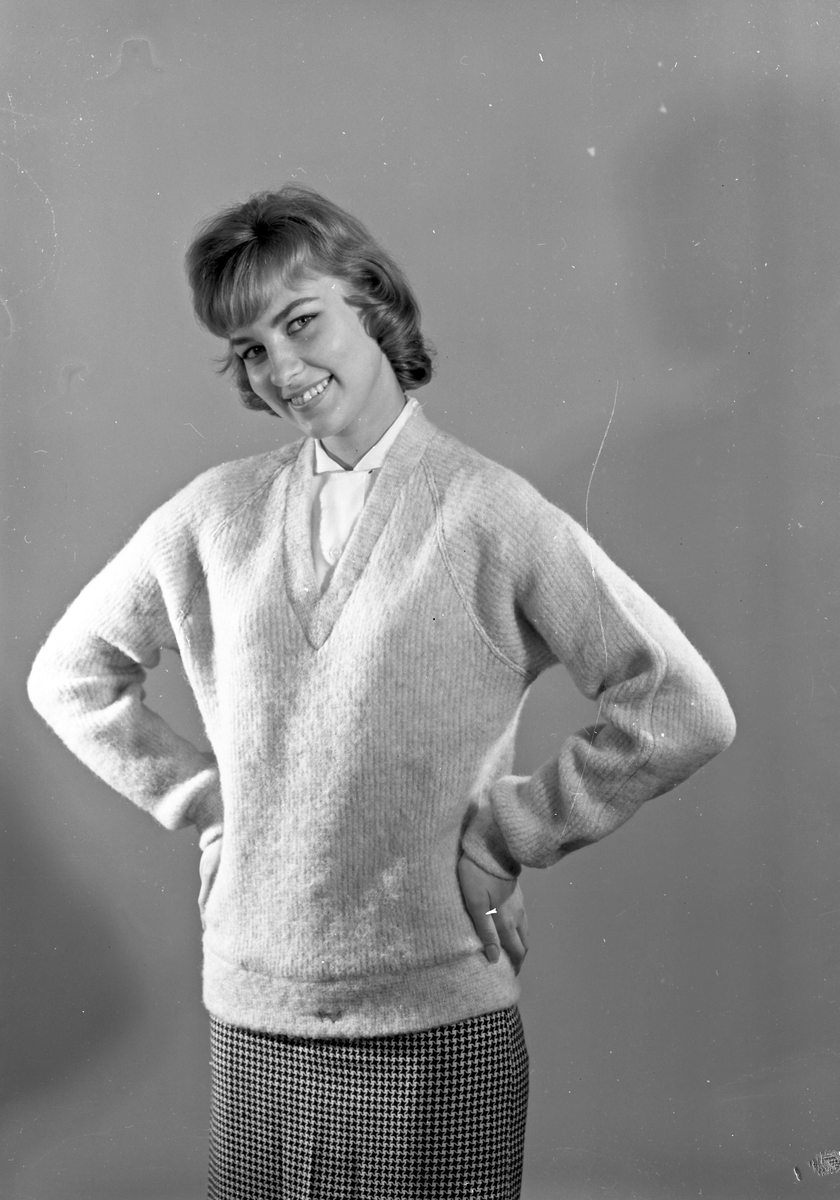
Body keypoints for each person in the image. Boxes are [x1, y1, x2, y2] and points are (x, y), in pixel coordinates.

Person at [27, 184, 736, 1200]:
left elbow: (679, 708)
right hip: (258, 1018)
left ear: (371, 301)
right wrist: (211, 804)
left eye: (300, 321)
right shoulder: (213, 515)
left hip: (437, 1022)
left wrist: (508, 837)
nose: (281, 368)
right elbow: (70, 676)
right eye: (250, 349)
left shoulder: (491, 513)